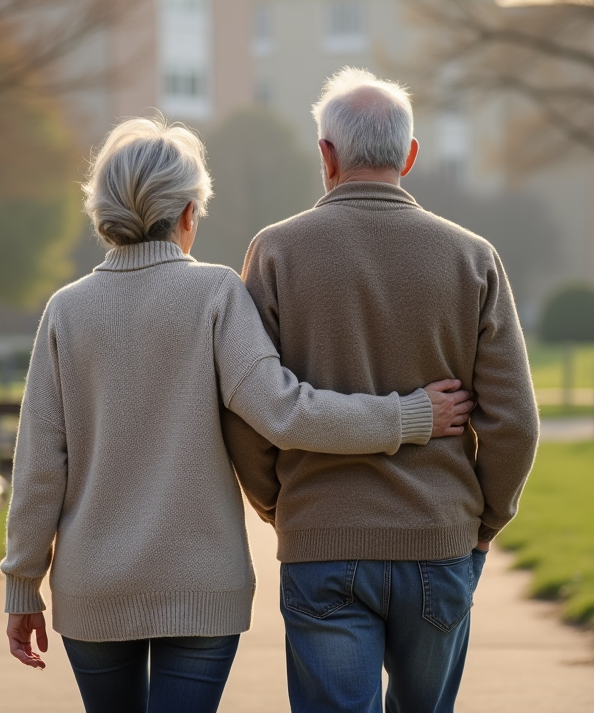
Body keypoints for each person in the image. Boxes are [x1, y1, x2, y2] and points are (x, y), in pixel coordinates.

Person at [0, 115, 475, 713]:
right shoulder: (217, 295)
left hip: (95, 588)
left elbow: (40, 464)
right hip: (203, 585)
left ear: (103, 211)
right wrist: (408, 417)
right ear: (189, 213)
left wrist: (22, 587)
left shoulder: (65, 311)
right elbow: (283, 414)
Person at [226, 67, 540, 713]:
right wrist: (486, 521)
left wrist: (277, 505)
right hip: (440, 536)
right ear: (411, 155)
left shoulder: (276, 252)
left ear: (327, 156)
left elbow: (248, 411)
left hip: (322, 537)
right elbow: (515, 423)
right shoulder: (472, 257)